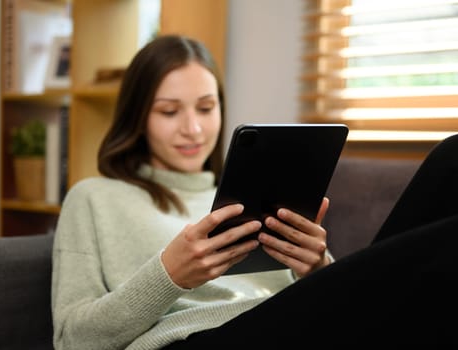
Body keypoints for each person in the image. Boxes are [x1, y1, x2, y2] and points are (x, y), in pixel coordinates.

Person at [51, 34, 458, 349]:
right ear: (137, 117)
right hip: (196, 339)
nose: (193, 129)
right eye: (169, 111)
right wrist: (169, 275)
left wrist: (316, 269)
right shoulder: (94, 197)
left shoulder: (250, 194)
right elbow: (72, 339)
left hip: (293, 327)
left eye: (206, 108)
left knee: (452, 159)